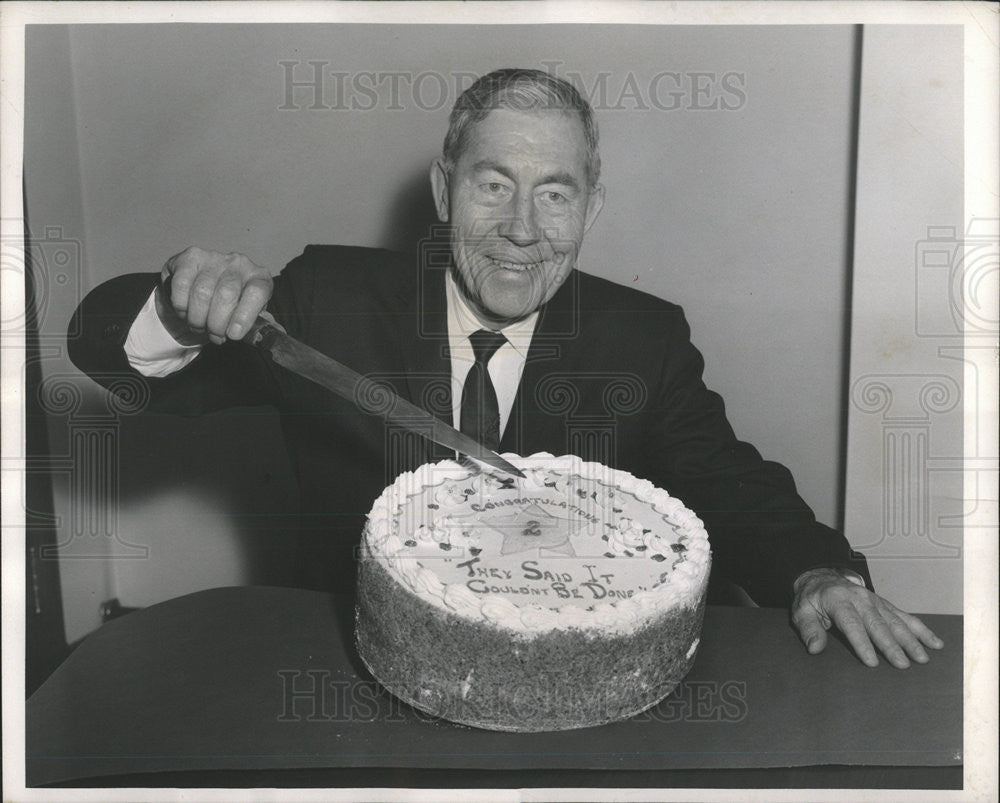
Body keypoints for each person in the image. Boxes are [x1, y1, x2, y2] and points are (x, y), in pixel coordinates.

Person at [69, 68, 942, 669]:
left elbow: (730, 480)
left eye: (554, 192)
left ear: (590, 205)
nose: (524, 229)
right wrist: (176, 310)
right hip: (353, 676)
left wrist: (817, 572)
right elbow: (134, 368)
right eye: (494, 185)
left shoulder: (643, 338)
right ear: (447, 190)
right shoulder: (327, 299)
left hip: (560, 693)